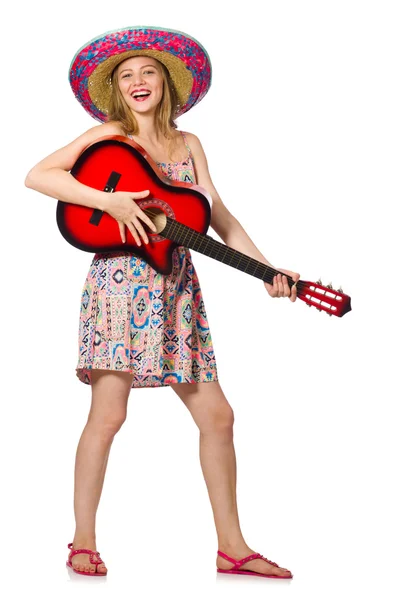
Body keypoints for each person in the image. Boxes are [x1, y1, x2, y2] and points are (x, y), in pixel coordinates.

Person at [25, 26, 299, 579]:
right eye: (126, 75)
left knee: (218, 416)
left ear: (166, 82)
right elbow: (39, 176)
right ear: (116, 90)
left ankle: (232, 548)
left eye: (147, 71)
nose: (137, 81)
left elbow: (220, 217)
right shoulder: (107, 136)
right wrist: (107, 200)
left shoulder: (189, 144)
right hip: (120, 289)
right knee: (108, 415)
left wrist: (269, 270)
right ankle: (82, 541)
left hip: (176, 289)